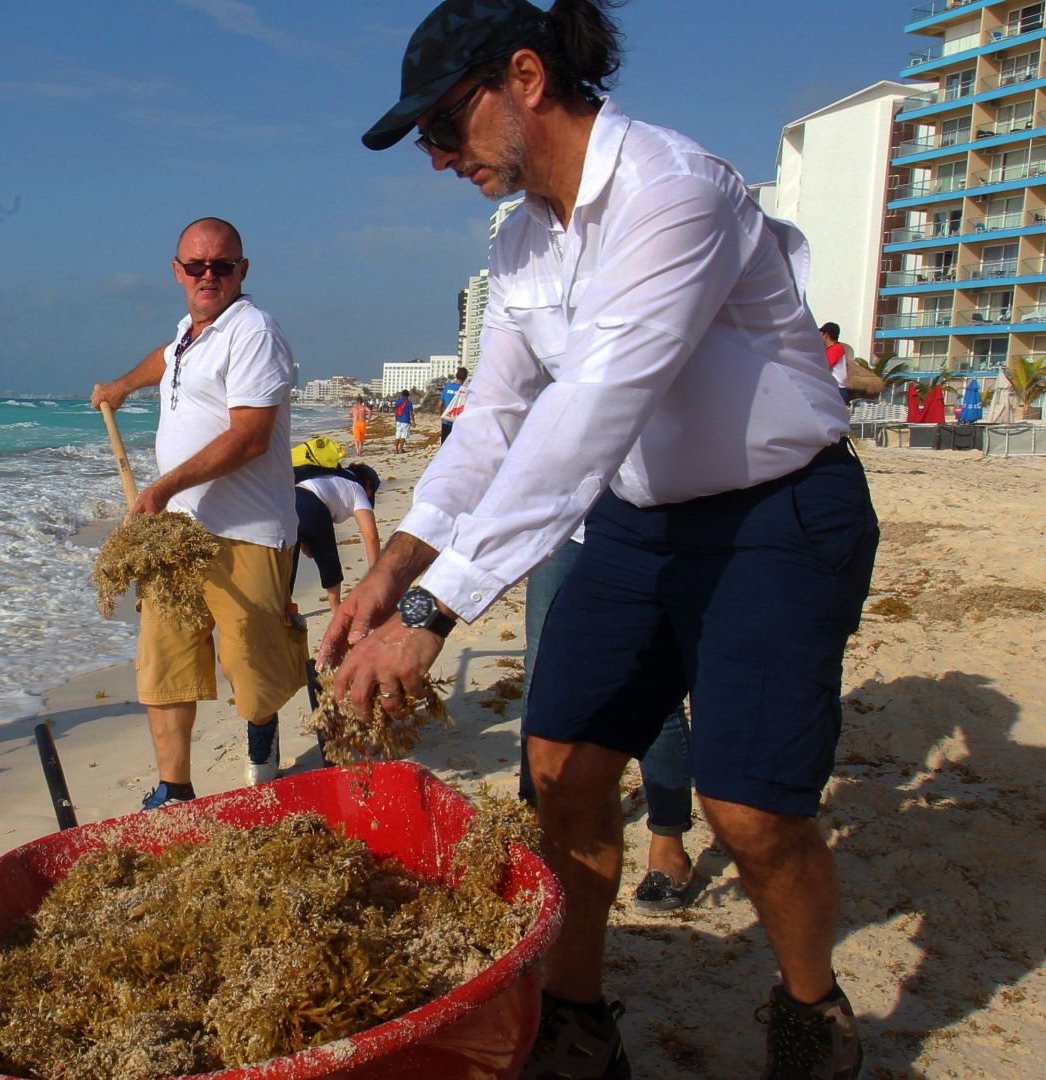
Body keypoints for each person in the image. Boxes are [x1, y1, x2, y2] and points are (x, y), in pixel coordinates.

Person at [333, 2, 878, 1077]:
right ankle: (578, 1021)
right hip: (634, 527)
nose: (439, 159)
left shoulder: (679, 192)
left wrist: (440, 612)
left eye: (446, 126)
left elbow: (591, 410)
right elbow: (493, 420)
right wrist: (399, 567)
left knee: (749, 813)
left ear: (524, 78)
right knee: (562, 767)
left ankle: (813, 1009)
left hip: (776, 518)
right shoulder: (525, 242)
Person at [91, 218, 308, 802]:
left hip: (248, 534)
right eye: (196, 265)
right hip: (175, 538)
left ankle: (263, 740)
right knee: (165, 666)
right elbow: (166, 359)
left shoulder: (253, 331)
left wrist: (161, 488)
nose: (208, 275)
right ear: (177, 271)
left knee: (253, 671)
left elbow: (250, 437)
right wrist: (122, 386)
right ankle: (174, 789)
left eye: (221, 265)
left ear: (242, 270)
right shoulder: (190, 331)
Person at [519, 534, 697, 914]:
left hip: (651, 529)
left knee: (652, 687)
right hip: (569, 528)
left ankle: (668, 838)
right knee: (540, 675)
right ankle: (540, 824)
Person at [292, 461, 383, 613]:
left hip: (288, 497)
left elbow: (303, 501)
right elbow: (371, 537)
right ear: (368, 483)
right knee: (328, 558)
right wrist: (375, 575)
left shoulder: (331, 476)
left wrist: (305, 540)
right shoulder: (357, 488)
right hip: (311, 502)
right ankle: (336, 608)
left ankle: (284, 608)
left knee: (287, 564)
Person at [821, 323, 853, 405]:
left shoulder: (835, 349)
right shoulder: (836, 348)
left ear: (826, 335)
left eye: (821, 333)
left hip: (837, 389)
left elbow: (823, 366)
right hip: (837, 388)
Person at [439, 366, 469, 443]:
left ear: (456, 376)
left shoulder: (447, 388)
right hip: (459, 422)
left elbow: (440, 405)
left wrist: (441, 416)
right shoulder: (466, 390)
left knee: (445, 444)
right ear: (465, 377)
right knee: (457, 444)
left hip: (446, 420)